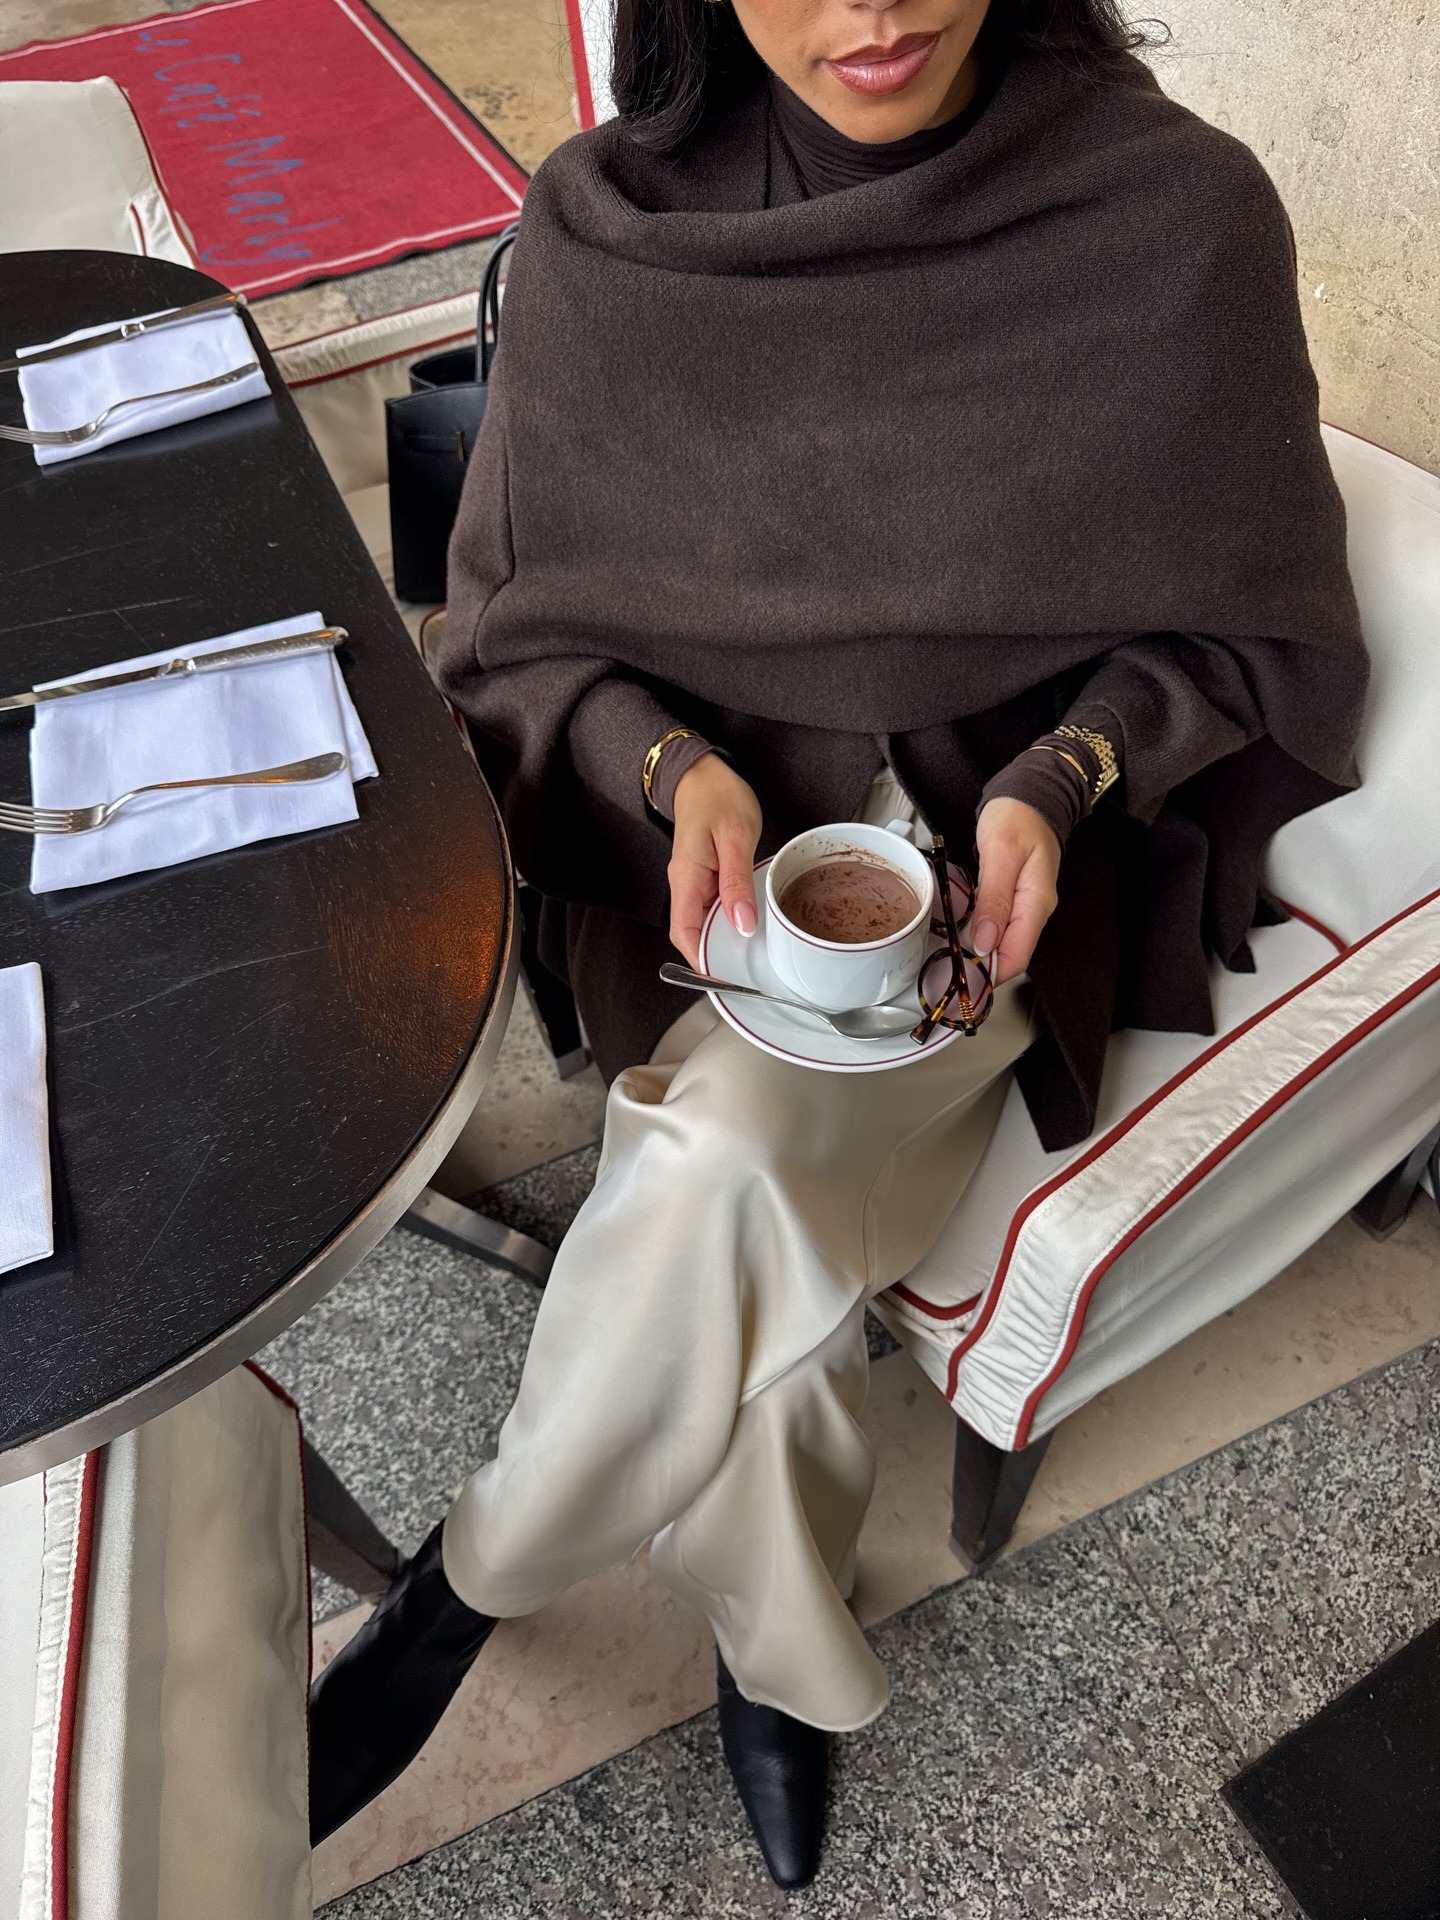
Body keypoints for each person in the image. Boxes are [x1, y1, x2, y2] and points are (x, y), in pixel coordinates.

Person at [308, 0, 1368, 1887]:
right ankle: (770, 1640)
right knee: (763, 1230)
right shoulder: (607, 232)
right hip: (692, 881)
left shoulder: (1170, 215)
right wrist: (668, 766)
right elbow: (512, 641)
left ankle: (472, 1580)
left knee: (721, 1157)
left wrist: (1065, 774)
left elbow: (1249, 626)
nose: (873, 12)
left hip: (999, 895)